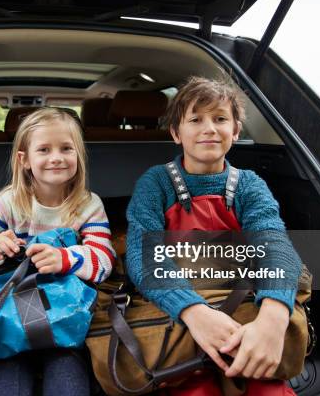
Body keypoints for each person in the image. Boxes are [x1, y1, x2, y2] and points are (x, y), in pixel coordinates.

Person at [125, 77, 303, 395]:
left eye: (220, 118)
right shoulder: (155, 183)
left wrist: (273, 317)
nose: (209, 128)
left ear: (235, 131)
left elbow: (274, 243)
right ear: (176, 133)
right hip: (177, 312)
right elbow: (144, 256)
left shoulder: (249, 184)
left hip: (242, 307)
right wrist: (193, 312)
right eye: (196, 119)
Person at [0, 107, 116, 396]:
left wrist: (65, 259)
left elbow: (103, 261)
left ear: (78, 155)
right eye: (44, 149)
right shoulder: (9, 203)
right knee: (5, 381)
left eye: (66, 148)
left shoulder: (88, 205)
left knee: (69, 383)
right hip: (7, 319)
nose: (57, 157)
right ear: (24, 160)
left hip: (63, 322)